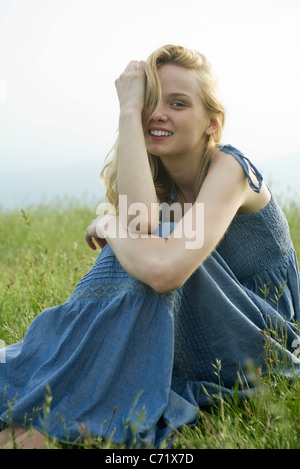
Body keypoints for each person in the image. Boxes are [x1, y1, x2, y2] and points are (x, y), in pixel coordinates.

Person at [0, 44, 300, 449]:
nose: (158, 114)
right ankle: (66, 392)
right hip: (202, 326)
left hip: (262, 339)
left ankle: (71, 411)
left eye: (177, 104)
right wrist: (127, 111)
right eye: (151, 103)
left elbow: (163, 270)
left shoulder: (231, 170)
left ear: (212, 123)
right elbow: (141, 224)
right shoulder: (167, 189)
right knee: (149, 239)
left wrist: (111, 223)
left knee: (153, 245)